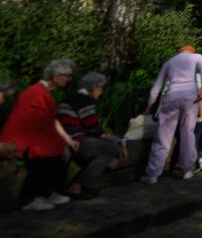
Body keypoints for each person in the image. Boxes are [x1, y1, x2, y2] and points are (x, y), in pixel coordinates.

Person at [2, 60, 78, 211]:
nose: (69, 80)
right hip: (19, 140)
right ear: (56, 76)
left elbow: (50, 121)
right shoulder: (36, 93)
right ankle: (30, 198)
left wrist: (67, 140)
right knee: (47, 154)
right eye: (67, 76)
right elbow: (39, 125)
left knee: (60, 150)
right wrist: (62, 144)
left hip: (29, 136)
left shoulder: (43, 93)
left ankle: (48, 192)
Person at [144, 45, 202, 184]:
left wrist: (149, 105)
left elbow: (157, 86)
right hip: (190, 97)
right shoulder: (198, 57)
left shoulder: (170, 62)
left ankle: (153, 174)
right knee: (187, 133)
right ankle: (187, 170)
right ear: (192, 50)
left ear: (179, 51)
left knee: (163, 135)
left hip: (171, 97)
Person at [56, 71, 125, 199]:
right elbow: (93, 128)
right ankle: (77, 185)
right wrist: (108, 136)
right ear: (94, 88)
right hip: (74, 141)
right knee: (113, 148)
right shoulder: (85, 101)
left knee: (109, 149)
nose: (101, 92)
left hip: (70, 138)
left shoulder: (72, 98)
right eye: (101, 88)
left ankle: (79, 186)